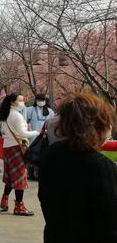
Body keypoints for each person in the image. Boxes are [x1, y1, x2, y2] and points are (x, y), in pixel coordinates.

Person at [38, 93, 117, 242]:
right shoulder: (101, 166)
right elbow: (110, 222)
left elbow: (44, 198)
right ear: (97, 125)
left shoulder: (51, 154)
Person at [0, 93, 39, 216]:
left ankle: (4, 199)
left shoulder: (5, 114)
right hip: (17, 147)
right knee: (20, 177)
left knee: (10, 176)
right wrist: (37, 132)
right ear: (12, 102)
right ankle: (19, 206)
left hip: (8, 147)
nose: (23, 102)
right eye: (20, 100)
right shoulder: (16, 116)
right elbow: (22, 133)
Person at [26, 93, 55, 180]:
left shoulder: (50, 111)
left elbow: (52, 123)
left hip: (45, 137)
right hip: (33, 136)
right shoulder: (30, 110)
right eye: (39, 100)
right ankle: (31, 173)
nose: (41, 102)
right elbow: (24, 122)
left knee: (43, 155)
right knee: (32, 155)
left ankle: (41, 174)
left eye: (42, 100)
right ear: (35, 100)